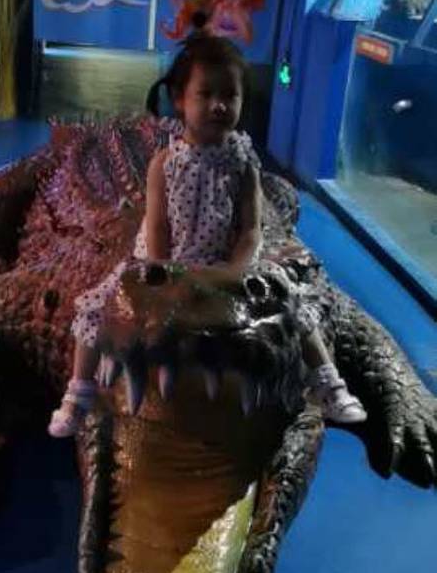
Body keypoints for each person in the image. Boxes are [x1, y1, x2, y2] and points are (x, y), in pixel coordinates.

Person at [48, 32, 366, 436]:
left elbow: (250, 228)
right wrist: (163, 274)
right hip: (167, 264)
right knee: (93, 308)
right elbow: (157, 225)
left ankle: (328, 383)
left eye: (230, 95)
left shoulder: (244, 162)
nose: (219, 105)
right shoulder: (164, 163)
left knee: (296, 304)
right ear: (180, 99)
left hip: (224, 266)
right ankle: (80, 391)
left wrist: (236, 272)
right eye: (206, 94)